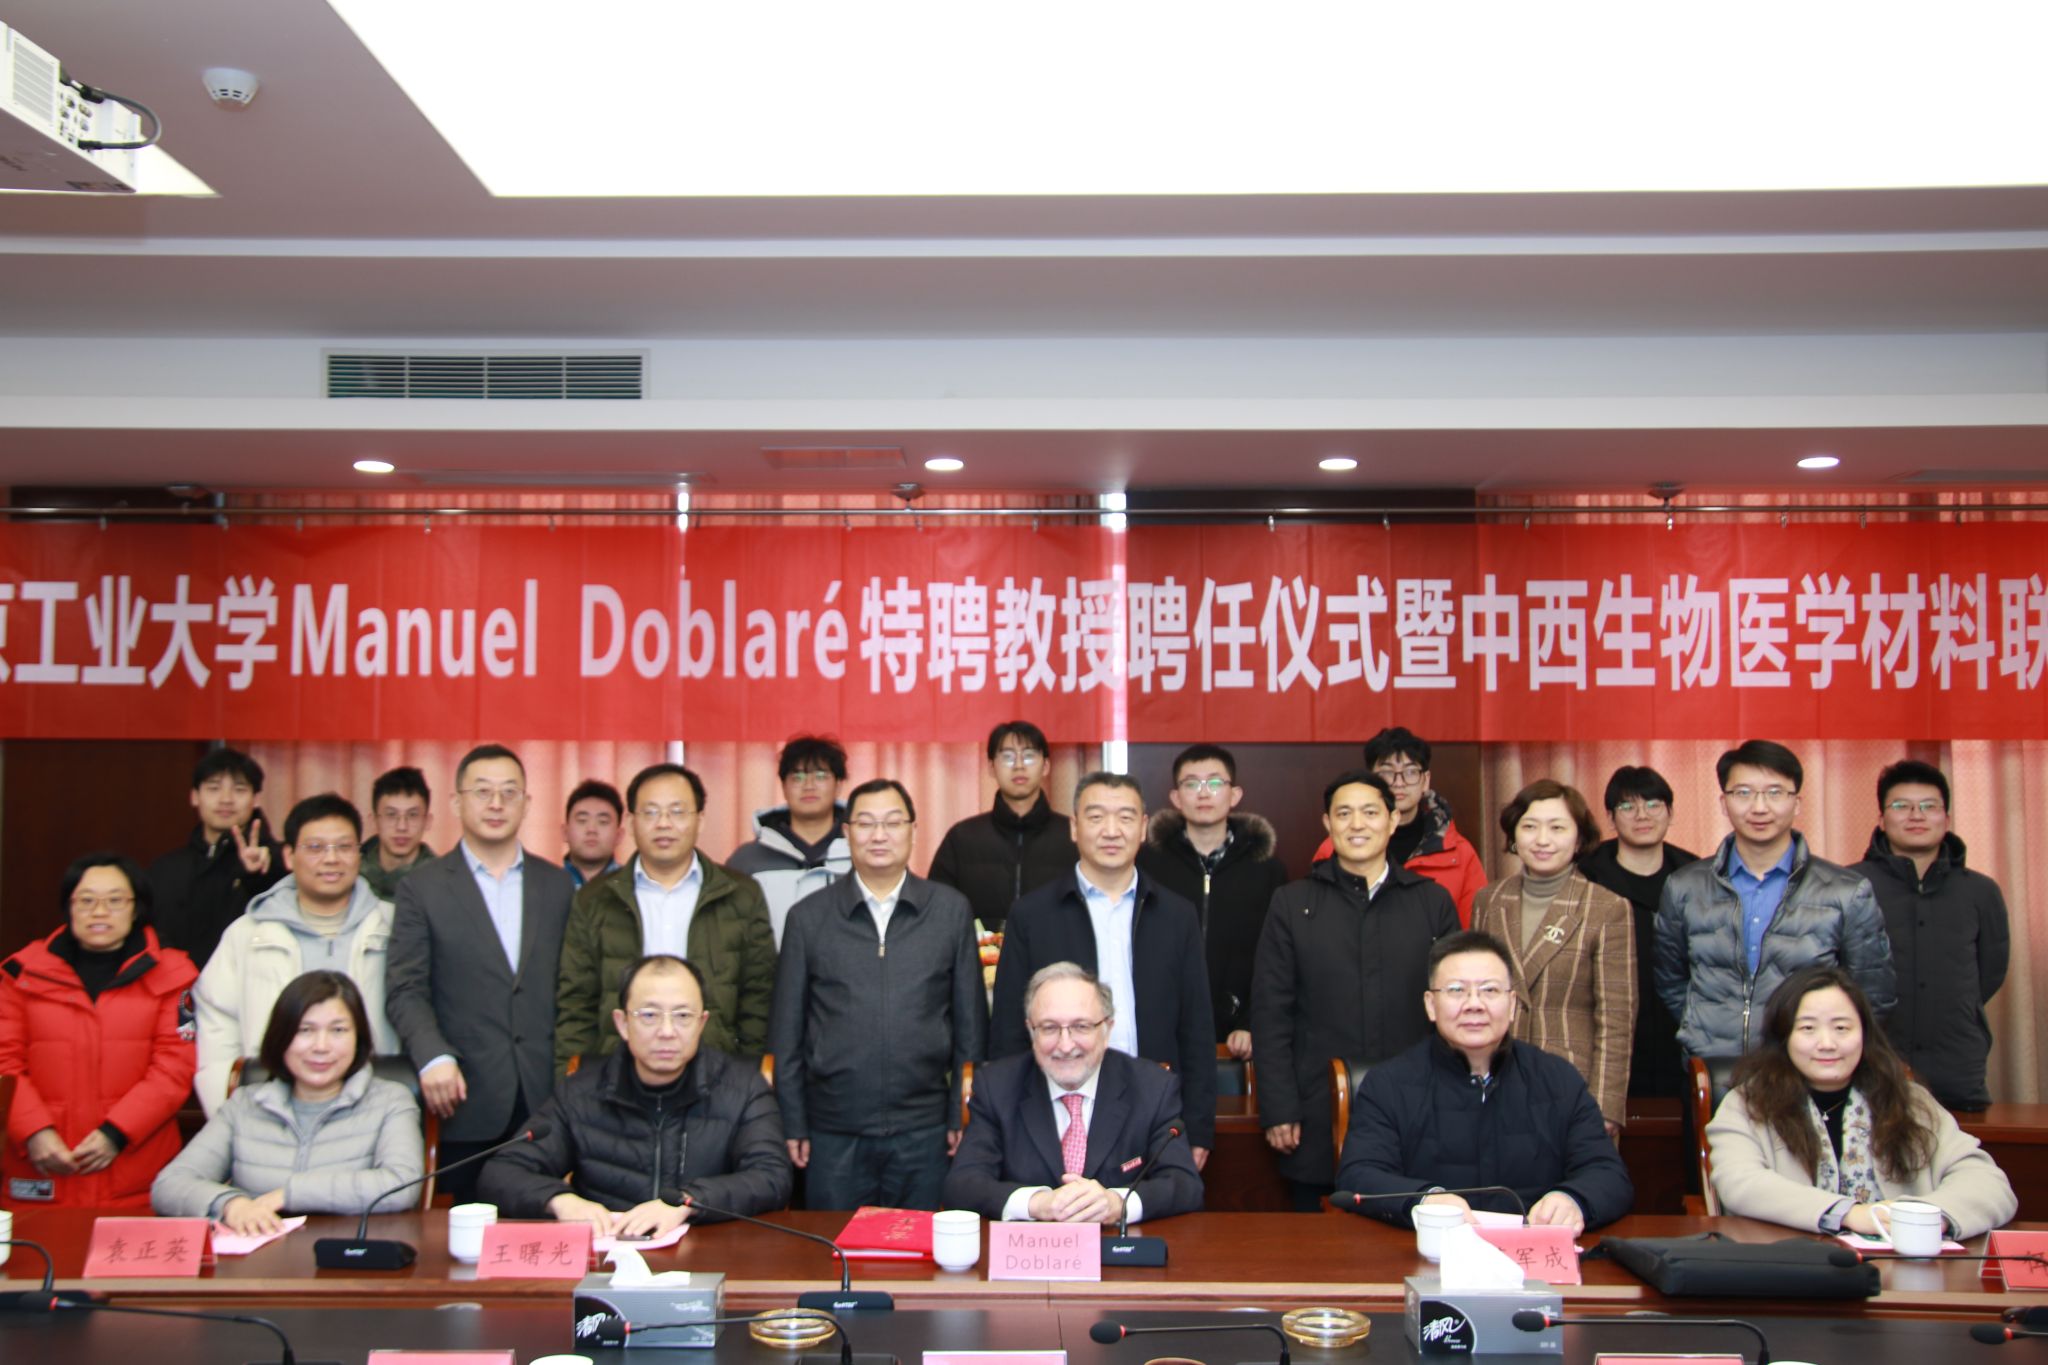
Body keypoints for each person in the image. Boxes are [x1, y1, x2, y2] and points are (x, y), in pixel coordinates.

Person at [769, 778, 986, 1210]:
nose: (879, 835)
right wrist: (792, 1120)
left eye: (892, 822)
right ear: (846, 832)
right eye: (866, 823)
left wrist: (960, 1114)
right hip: (832, 1132)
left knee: (921, 1248)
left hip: (925, 1131)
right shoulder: (808, 918)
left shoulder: (949, 911)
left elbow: (971, 1026)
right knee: (835, 1248)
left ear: (913, 830)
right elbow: (786, 1031)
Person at [1250, 770, 1459, 1210]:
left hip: (1419, 1109)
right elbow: (1271, 1013)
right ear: (1328, 823)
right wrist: (1280, 1107)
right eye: (1344, 814)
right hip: (1315, 1110)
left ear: (1393, 820)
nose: (1357, 824)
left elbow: (1453, 1009)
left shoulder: (1432, 902)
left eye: (1370, 812)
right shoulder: (1292, 903)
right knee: (1317, 1239)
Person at [1336, 930, 1634, 1232]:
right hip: (1428, 1250)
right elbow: (1359, 1175)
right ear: (1430, 1004)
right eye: (1456, 990)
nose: (1474, 1004)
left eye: (1490, 990)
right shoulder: (1388, 1085)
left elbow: (1608, 1174)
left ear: (1512, 1003)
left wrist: (1574, 1200)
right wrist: (1425, 1200)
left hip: (1532, 1253)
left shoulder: (1558, 1080)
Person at [988, 771, 1217, 1165]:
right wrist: (1007, 1124)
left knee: (1150, 1202)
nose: (1111, 830)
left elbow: (1196, 1027)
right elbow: (1009, 1028)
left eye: (1125, 817)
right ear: (1074, 827)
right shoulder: (1032, 915)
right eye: (1096, 817)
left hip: (1152, 1108)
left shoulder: (1177, 915)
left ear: (1142, 828)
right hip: (1057, 1107)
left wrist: (1197, 1126)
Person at [479, 954, 791, 1235]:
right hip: (606, 1260)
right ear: (623, 1023)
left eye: (682, 1016)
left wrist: (690, 1202)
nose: (667, 1031)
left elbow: (772, 1177)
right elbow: (502, 1172)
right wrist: (560, 1200)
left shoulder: (744, 1089)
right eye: (649, 1015)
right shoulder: (580, 1093)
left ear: (702, 1023)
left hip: (706, 1254)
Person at [385, 743, 574, 1203]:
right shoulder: (421, 888)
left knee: (548, 1227)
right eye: (483, 792)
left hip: (545, 1098)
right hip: (463, 1095)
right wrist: (433, 1056)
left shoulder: (557, 885)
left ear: (527, 803)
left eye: (509, 793)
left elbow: (574, 989)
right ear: (456, 802)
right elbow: (405, 988)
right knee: (464, 1233)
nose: (496, 804)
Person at [1706, 965, 2015, 1238]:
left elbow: (1989, 1184)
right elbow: (1739, 1183)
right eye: (1808, 1028)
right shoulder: (1748, 1104)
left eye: (1841, 1028)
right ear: (1784, 1037)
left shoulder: (1910, 1101)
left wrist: (1928, 1218)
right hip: (1795, 1266)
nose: (1827, 1043)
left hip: (1903, 1267)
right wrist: (1850, 1214)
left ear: (1865, 1034)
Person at [1655, 739, 1896, 1062]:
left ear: (1796, 803)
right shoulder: (1684, 887)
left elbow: (1873, 995)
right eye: (1743, 793)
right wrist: (1701, 1027)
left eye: (1775, 792)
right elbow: (1670, 979)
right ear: (1724, 803)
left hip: (1805, 1068)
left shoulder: (1846, 892)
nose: (1759, 807)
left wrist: (1825, 1049)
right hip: (1712, 1067)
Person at [152, 971, 425, 1234]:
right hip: (258, 1259)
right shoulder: (245, 1105)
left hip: (349, 1256)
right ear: (281, 1037)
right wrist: (231, 1204)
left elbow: (402, 1184)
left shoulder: (390, 1101)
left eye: (338, 1030)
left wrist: (290, 1194)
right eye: (305, 1030)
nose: (321, 1046)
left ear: (358, 1039)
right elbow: (170, 1185)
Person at [0, 852, 197, 1210]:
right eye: (87, 900)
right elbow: (4, 1062)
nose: (100, 911)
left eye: (115, 900)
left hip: (135, 1174)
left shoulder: (175, 976)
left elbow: (175, 1067)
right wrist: (34, 1131)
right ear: (69, 907)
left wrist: (116, 1133)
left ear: (136, 909)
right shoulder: (19, 974)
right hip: (41, 1169)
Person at [556, 763, 776, 1073]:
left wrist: (746, 1079)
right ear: (631, 822)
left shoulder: (741, 894)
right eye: (651, 812)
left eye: (677, 812)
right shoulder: (595, 899)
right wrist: (573, 1086)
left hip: (717, 1075)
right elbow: (576, 1004)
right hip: (618, 1077)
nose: (663, 824)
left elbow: (759, 998)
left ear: (700, 820)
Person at [942, 962, 1202, 1223]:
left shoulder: (1152, 1087)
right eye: (1049, 1028)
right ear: (1031, 1031)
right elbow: (962, 1185)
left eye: (1081, 1026)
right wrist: (1036, 1203)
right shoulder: (997, 1087)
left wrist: (1117, 1203)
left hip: (1118, 1244)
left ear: (1107, 1029)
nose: (1065, 1046)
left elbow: (1185, 1185)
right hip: (1030, 1245)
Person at [194, 793, 400, 1115]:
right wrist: (231, 1113)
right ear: (289, 856)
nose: (331, 859)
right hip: (267, 1113)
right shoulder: (247, 934)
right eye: (316, 847)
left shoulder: (396, 927)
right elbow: (217, 1025)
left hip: (374, 1112)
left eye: (344, 847)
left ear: (359, 855)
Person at [1471, 779, 1636, 1137]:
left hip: (1572, 1086)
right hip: (1494, 1079)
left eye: (1557, 828)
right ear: (1514, 836)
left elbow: (1616, 1018)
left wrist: (1605, 1107)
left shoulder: (1607, 907)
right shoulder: (1489, 900)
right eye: (1530, 826)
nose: (1542, 840)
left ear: (1578, 839)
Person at [1851, 761, 2009, 1111]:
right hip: (1871, 1060)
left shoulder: (1980, 891)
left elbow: (1990, 971)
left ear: (1946, 818)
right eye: (1901, 805)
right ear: (1881, 819)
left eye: (1928, 806)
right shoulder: (1851, 886)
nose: (1916, 815)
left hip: (1956, 1063)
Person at [1137, 743, 1287, 1056]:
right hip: (1159, 1024)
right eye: (1191, 784)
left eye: (1215, 783)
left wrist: (1252, 1021)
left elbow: (1278, 956)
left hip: (1237, 1033)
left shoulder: (1267, 869)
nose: (1204, 793)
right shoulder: (1146, 865)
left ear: (1235, 795)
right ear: (1176, 797)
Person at [1577, 765, 1699, 1101]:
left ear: (1670, 812)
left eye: (1653, 804)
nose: (1642, 815)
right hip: (1608, 1030)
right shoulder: (1586, 877)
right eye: (1627, 806)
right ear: (1610, 817)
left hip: (1679, 1028)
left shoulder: (1695, 876)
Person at [1309, 728, 1486, 926]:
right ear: (1370, 780)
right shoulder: (1334, 847)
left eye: (1410, 772)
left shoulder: (1460, 853)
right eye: (1387, 772)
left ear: (1425, 780)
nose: (1399, 783)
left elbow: (1471, 932)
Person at [928, 719, 1077, 931]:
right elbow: (937, 910)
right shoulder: (962, 838)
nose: (1019, 765)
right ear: (991, 767)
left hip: (1055, 951)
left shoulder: (1073, 836)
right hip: (980, 951)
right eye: (1008, 757)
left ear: (1046, 766)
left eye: (1029, 756)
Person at [148, 747, 286, 969]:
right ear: (194, 796)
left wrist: (259, 876)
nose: (226, 799)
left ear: (256, 799)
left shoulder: (276, 861)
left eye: (239, 790)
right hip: (176, 984)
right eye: (213, 788)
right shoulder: (165, 869)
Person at [727, 734, 853, 947]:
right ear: (784, 786)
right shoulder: (747, 861)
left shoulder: (862, 855)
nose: (809, 785)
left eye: (820, 776)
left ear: (839, 785)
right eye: (798, 777)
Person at [360, 766, 435, 902]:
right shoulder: (352, 873)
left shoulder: (442, 881)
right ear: (374, 821)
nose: (402, 827)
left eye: (412, 815)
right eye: (391, 815)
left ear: (427, 821)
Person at [561, 780, 624, 889]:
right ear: (565, 832)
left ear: (619, 836)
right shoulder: (544, 885)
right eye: (582, 820)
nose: (591, 829)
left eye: (603, 822)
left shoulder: (635, 888)